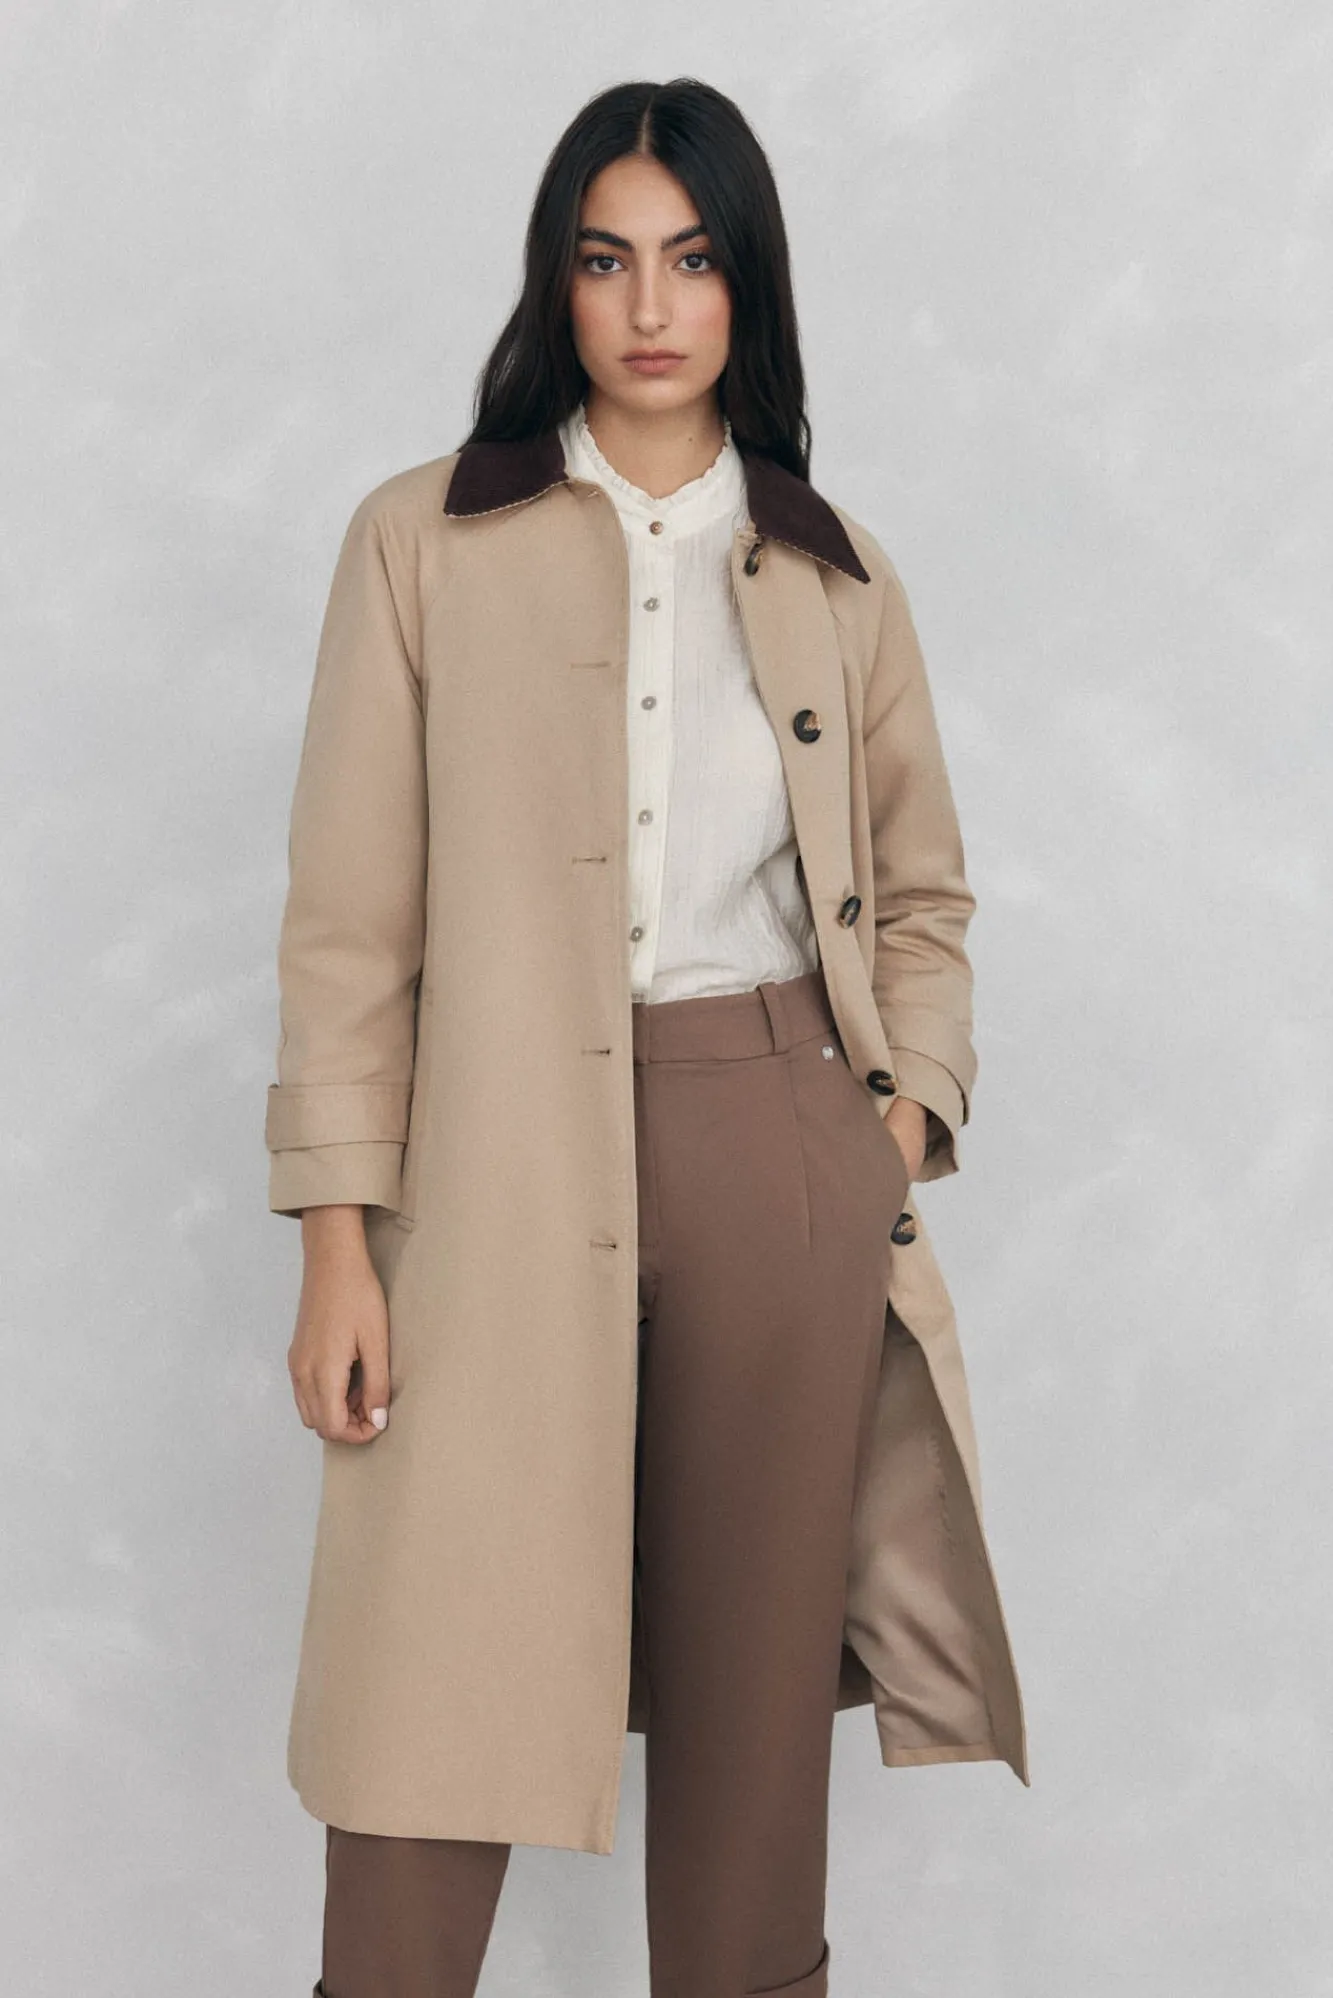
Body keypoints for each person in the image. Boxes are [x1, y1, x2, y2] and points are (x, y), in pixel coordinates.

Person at [265, 74, 1028, 1998]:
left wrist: (891, 1129)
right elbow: (349, 928)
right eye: (607, 262)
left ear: (747, 284)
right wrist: (340, 1238)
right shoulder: (423, 541)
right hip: (490, 1169)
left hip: (778, 1154)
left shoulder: (835, 569)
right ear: (559, 283)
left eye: (692, 260)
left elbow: (923, 897)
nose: (651, 306)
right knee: (428, 1690)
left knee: (752, 1727)